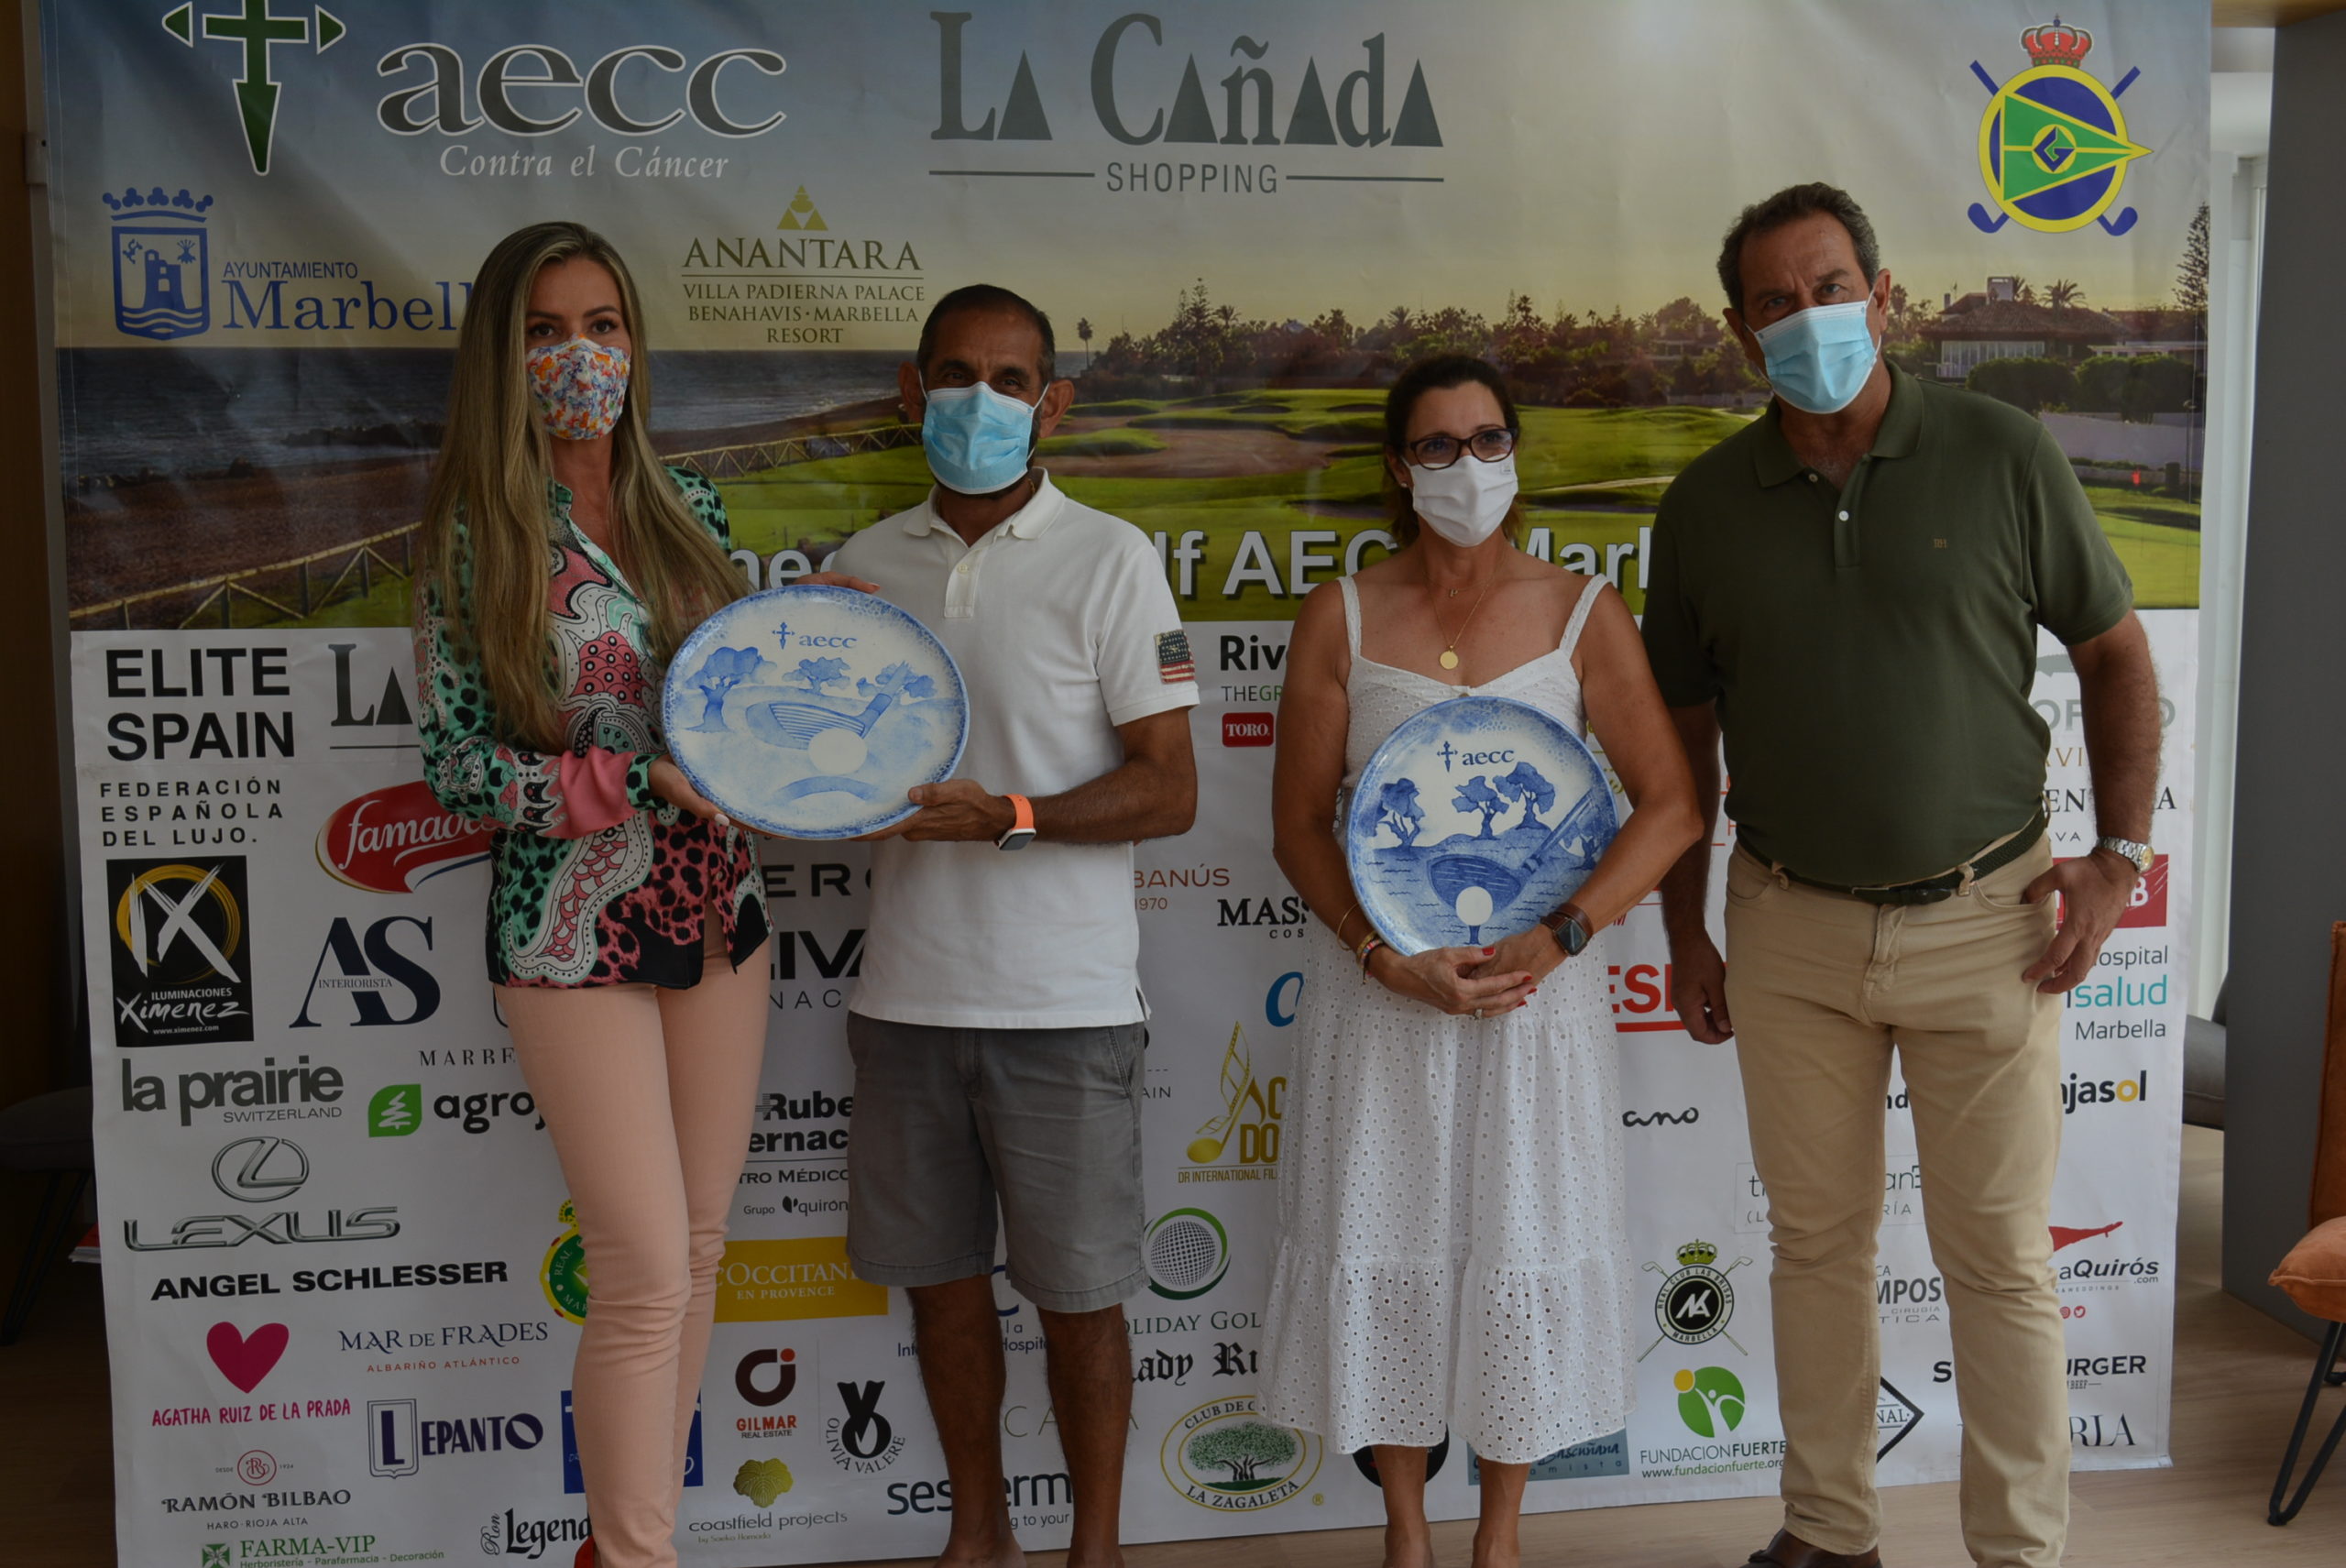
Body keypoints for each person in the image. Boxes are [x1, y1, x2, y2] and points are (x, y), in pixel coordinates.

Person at [1641, 184, 2163, 1568]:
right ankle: (1830, 1533)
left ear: (1884, 297)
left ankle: (2019, 1553)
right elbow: (1683, 742)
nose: (1805, 317)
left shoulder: (2002, 451)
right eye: (1773, 301)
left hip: (1994, 923)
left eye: (1829, 287)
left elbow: (2115, 652)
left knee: (1999, 1259)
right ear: (1740, 331)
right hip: (1788, 927)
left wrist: (2119, 857)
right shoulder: (1703, 507)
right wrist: (1685, 933)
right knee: (1816, 1248)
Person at [414, 221, 845, 1568]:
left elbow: (724, 705)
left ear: (635, 345)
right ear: (503, 358)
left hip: (720, 915)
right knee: (646, 1267)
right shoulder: (471, 537)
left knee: (700, 1250)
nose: (580, 356)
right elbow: (457, 765)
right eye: (546, 333)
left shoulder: (690, 508)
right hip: (569, 928)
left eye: (602, 327)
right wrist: (619, 781)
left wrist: (804, 665)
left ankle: (621, 1544)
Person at [1258, 355, 1703, 1568]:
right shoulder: (1342, 615)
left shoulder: (1583, 612)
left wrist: (1563, 937)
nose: (1469, 465)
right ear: (1399, 468)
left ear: (1517, 451)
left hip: (1535, 1001)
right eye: (1439, 445)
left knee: (1521, 1239)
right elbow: (1298, 826)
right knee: (1386, 1236)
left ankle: (1498, 1538)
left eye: (1489, 439)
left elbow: (1670, 805)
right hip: (1382, 1000)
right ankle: (1405, 1532)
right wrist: (1377, 956)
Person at [828, 283, 1200, 1568]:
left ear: (1054, 404)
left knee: (1081, 1303)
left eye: (1009, 379)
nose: (977, 400)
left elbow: (1171, 788)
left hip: (1065, 1008)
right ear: (909, 391)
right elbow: (820, 771)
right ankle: (976, 1537)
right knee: (940, 1294)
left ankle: (1095, 1551)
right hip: (905, 1005)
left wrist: (1017, 817)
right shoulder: (863, 568)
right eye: (954, 374)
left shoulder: (1112, 557)